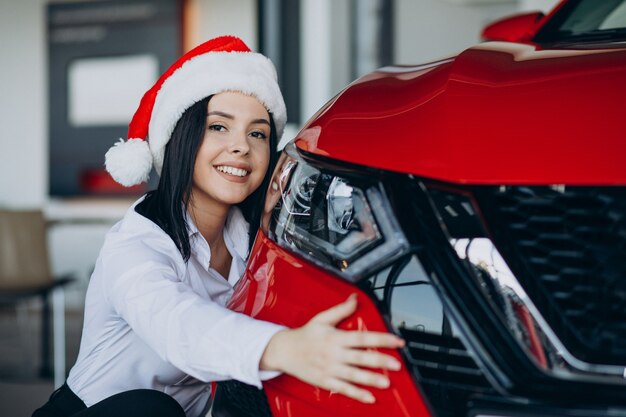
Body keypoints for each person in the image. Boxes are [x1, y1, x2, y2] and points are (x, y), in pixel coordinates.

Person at [33, 36, 404, 417]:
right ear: (182, 137)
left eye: (257, 133)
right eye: (218, 127)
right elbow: (178, 324)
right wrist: (283, 348)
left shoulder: (257, 239)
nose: (241, 146)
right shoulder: (134, 245)